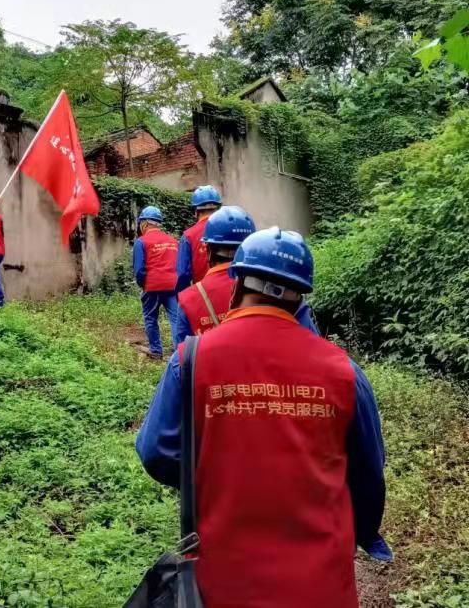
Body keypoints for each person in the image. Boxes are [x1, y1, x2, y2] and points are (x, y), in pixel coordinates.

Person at [136, 227, 391, 608]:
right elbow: (369, 473)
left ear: (237, 285)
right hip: (321, 586)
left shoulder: (191, 360)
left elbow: (156, 451)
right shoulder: (343, 372)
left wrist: (209, 477)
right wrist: (365, 533)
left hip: (224, 580)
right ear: (300, 299)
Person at [175, 206, 319, 340]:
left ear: (208, 251)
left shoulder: (188, 300)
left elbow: (181, 362)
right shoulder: (282, 293)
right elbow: (312, 344)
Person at [133, 206, 180, 360]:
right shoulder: (173, 241)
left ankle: (156, 352)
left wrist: (143, 284)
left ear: (144, 224)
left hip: (152, 285)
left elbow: (139, 270)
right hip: (172, 285)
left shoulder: (141, 242)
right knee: (175, 318)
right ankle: (179, 352)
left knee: (150, 318)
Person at [175, 185, 222, 292]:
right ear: (218, 208)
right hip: (231, 294)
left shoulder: (188, 236)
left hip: (204, 296)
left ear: (196, 211)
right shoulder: (230, 230)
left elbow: (183, 274)